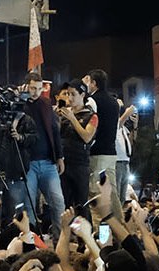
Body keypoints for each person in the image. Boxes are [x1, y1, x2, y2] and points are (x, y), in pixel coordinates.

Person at [11, 71, 65, 232]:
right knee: (29, 206)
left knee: (58, 201)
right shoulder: (19, 103)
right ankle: (32, 242)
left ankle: (60, 239)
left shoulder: (46, 103)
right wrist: (19, 99)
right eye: (33, 88)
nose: (36, 92)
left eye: (39, 89)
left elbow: (54, 130)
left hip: (48, 161)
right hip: (28, 163)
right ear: (26, 86)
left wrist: (60, 156)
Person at [55, 82, 97, 211]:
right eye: (68, 94)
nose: (70, 98)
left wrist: (72, 118)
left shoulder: (91, 115)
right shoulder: (63, 114)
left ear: (82, 95)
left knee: (81, 205)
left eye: (73, 94)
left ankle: (85, 230)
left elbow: (87, 137)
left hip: (80, 164)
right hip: (63, 164)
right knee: (64, 204)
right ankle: (66, 230)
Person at [85, 70, 120, 216]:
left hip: (97, 153)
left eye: (89, 81)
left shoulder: (92, 101)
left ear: (94, 83)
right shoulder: (114, 102)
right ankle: (121, 228)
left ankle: (102, 234)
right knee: (111, 192)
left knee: (98, 195)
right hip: (111, 153)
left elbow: (91, 125)